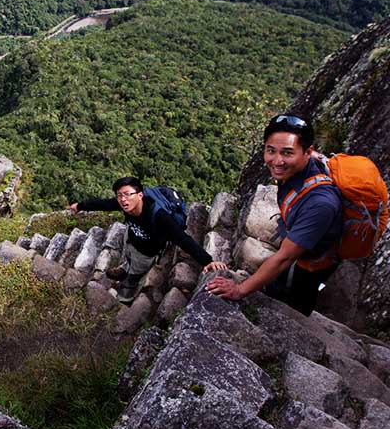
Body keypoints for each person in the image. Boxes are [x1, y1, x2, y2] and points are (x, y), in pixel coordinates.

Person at [207, 114, 342, 315]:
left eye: (287, 153)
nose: (277, 161)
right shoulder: (298, 170)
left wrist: (239, 290)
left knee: (298, 301)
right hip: (300, 238)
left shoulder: (320, 203)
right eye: (271, 151)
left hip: (315, 259)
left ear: (308, 152)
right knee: (277, 284)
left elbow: (285, 257)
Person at [69, 177, 227, 303]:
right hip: (133, 238)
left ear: (140, 195)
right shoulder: (124, 204)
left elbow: (182, 238)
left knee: (136, 271)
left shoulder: (159, 217)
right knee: (129, 255)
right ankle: (126, 267)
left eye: (127, 194)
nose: (123, 199)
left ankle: (128, 290)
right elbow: (102, 204)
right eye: (119, 195)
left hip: (147, 251)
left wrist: (207, 260)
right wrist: (80, 206)